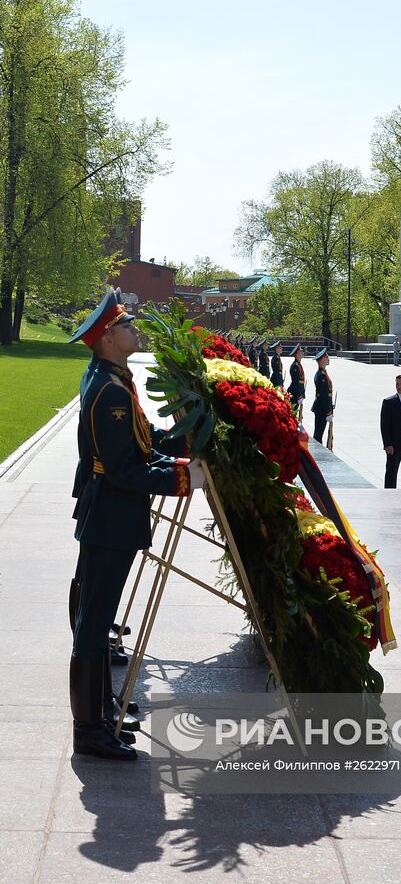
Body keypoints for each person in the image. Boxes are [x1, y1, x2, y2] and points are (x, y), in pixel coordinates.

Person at [68, 288, 205, 760]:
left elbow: (140, 446)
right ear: (107, 340)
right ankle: (89, 729)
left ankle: (99, 713)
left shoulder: (113, 379)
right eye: (125, 326)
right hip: (111, 515)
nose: (132, 329)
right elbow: (127, 470)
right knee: (95, 621)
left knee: (98, 616)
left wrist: (187, 439)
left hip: (108, 512)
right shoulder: (110, 391)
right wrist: (185, 478)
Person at [311, 348, 334, 443]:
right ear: (321, 360)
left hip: (321, 408)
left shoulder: (322, 373)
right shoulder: (322, 375)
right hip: (322, 408)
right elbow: (324, 396)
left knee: (319, 433)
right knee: (318, 434)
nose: (328, 359)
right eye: (326, 357)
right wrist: (328, 412)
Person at [288, 343, 306, 418]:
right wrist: (299, 396)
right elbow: (296, 383)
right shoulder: (295, 366)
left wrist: (302, 394)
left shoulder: (298, 364)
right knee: (293, 415)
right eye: (301, 351)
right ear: (297, 354)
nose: (303, 353)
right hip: (294, 394)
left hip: (297, 394)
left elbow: (301, 382)